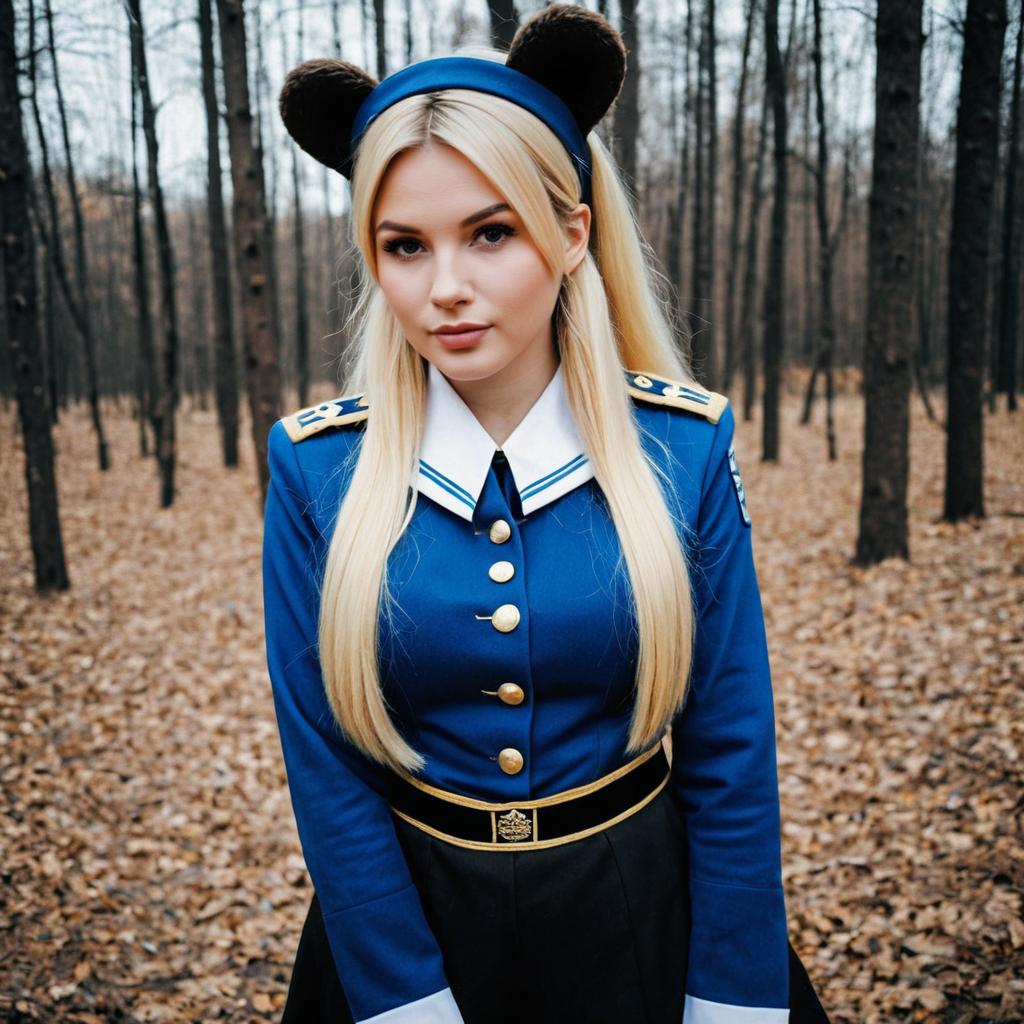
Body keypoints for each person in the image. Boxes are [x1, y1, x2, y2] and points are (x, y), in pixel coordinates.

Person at [263, 5, 830, 1023]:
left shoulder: (682, 448)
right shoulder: (318, 470)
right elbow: (327, 770)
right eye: (403, 246)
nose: (445, 288)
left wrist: (734, 995)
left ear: (571, 235)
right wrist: (402, 999)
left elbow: (731, 748)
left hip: (642, 917)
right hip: (409, 930)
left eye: (489, 233)